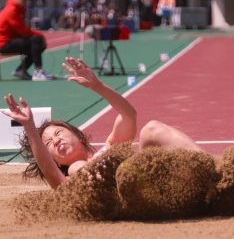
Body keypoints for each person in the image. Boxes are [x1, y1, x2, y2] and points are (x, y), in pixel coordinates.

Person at [1, 57, 202, 189]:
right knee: (78, 167)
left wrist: (98, 86)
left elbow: (128, 114)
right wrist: (30, 128)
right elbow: (52, 174)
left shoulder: (113, 147)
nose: (55, 140)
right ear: (55, 161)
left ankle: (207, 168)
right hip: (128, 196)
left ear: (79, 135)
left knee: (151, 129)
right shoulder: (69, 179)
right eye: (48, 143)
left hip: (157, 182)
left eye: (59, 133)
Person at [0, 0, 53, 81]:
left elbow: (20, 32)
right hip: (3, 43)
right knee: (36, 40)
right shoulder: (11, 10)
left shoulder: (18, 9)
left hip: (8, 41)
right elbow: (22, 31)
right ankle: (38, 72)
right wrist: (40, 35)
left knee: (36, 44)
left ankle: (21, 70)